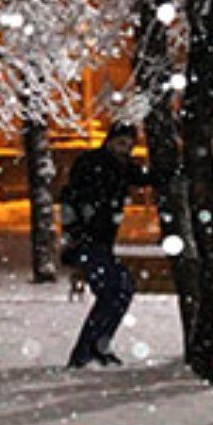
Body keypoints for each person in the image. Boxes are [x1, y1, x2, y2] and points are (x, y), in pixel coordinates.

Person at [58, 123, 154, 368]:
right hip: (86, 242)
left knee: (121, 290)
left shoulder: (122, 167)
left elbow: (147, 178)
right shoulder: (92, 164)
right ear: (110, 141)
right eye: (121, 143)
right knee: (114, 291)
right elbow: (70, 200)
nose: (125, 149)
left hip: (99, 243)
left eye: (129, 145)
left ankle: (97, 345)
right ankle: (85, 352)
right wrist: (75, 233)